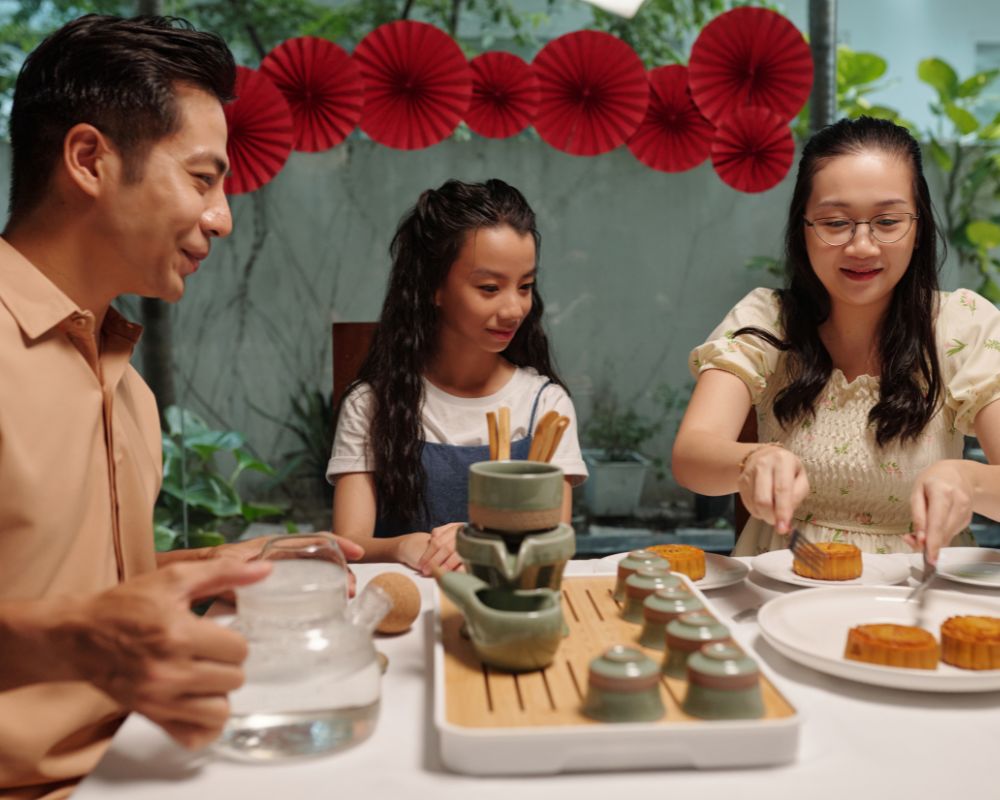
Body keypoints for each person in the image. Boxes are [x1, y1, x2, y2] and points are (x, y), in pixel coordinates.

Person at [0, 15, 362, 798]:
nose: (223, 217)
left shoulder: (124, 384)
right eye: (203, 178)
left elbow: (74, 588)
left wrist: (233, 569)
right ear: (89, 159)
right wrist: (78, 642)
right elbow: (77, 625)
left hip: (141, 765)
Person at [672, 116, 1000, 562]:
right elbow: (692, 455)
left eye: (887, 221)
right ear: (802, 227)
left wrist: (969, 481)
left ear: (918, 225)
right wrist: (750, 462)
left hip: (920, 587)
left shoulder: (964, 324)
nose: (861, 246)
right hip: (782, 582)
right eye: (835, 222)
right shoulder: (768, 319)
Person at [329, 179, 587, 575]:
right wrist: (405, 545)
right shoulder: (371, 404)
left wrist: (480, 540)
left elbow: (555, 544)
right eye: (489, 288)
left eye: (525, 286)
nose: (514, 309)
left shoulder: (545, 406)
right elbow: (350, 544)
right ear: (433, 287)